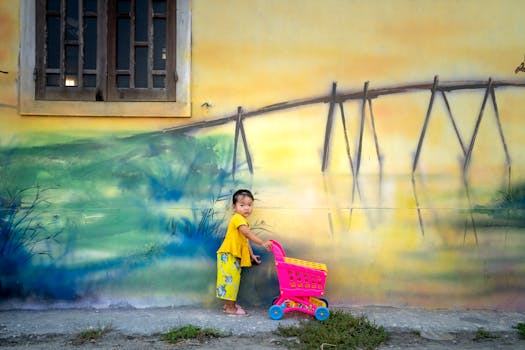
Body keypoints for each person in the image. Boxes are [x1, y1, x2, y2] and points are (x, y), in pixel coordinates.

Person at [216, 189, 272, 316]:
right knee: (230, 281)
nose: (247, 208)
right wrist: (262, 243)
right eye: (242, 205)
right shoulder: (238, 219)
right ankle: (230, 308)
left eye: (249, 205)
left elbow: (245, 241)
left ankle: (229, 305)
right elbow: (247, 233)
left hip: (231, 255)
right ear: (234, 207)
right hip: (228, 255)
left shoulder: (241, 220)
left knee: (232, 281)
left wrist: (251, 255)